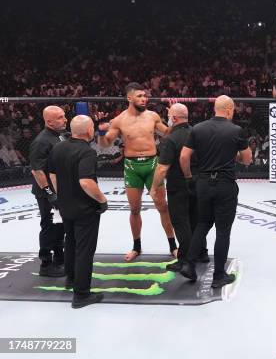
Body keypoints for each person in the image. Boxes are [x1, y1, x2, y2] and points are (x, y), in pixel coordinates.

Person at [178, 95, 252, 287]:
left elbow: (184, 157)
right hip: (224, 185)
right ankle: (219, 276)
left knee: (202, 224)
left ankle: (189, 264)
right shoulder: (236, 130)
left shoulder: (198, 128)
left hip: (203, 182)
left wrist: (188, 178)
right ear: (229, 109)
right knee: (223, 230)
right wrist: (233, 153)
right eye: (233, 110)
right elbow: (247, 160)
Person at [97, 82, 176, 261]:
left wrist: (173, 121)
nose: (144, 99)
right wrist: (101, 133)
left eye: (145, 96)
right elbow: (105, 145)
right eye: (140, 96)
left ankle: (173, 246)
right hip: (132, 167)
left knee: (163, 207)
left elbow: (168, 134)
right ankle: (136, 247)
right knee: (134, 209)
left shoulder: (153, 116)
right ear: (129, 98)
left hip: (152, 164)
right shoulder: (119, 120)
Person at [49, 115, 107, 308]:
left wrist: (61, 196)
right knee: (84, 250)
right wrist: (102, 200)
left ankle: (71, 280)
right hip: (84, 208)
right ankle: (81, 295)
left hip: (66, 206)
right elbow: (86, 181)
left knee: (71, 243)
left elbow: (52, 174)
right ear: (89, 131)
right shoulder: (87, 152)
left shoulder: (58, 146)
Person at [150, 103, 208, 272]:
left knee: (181, 222)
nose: (167, 119)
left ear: (174, 118)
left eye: (168, 116)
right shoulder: (197, 133)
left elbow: (162, 168)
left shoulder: (171, 138)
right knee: (196, 219)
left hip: (178, 185)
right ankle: (202, 252)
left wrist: (154, 187)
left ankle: (185, 260)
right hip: (198, 182)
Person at [29, 105, 67, 277]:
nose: (65, 119)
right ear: (49, 121)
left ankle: (60, 257)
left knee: (60, 225)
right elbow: (37, 170)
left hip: (59, 190)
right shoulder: (41, 141)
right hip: (47, 193)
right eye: (60, 117)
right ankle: (46, 263)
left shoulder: (58, 136)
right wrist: (50, 193)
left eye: (64, 116)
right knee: (48, 224)